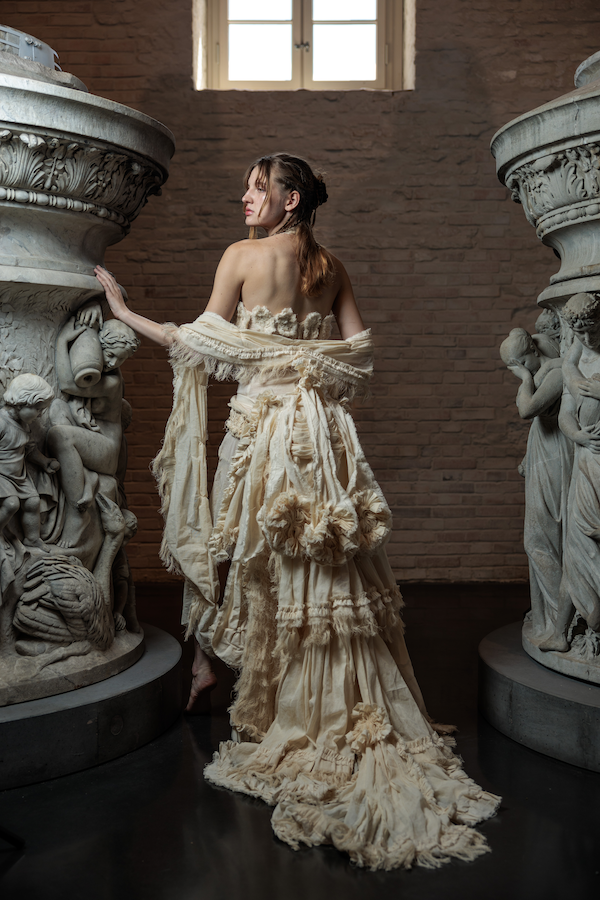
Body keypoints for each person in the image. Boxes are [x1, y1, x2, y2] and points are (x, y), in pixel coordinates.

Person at [94, 152, 500, 871]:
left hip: (263, 434)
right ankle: (228, 671)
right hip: (323, 433)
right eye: (247, 186)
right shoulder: (331, 266)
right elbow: (358, 356)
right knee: (322, 562)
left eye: (256, 188)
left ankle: (208, 670)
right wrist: (304, 371)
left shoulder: (242, 257)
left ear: (288, 200)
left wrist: (124, 312)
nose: (243, 197)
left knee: (246, 547)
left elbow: (196, 342)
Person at [500, 327, 572, 643]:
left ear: (530, 354)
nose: (516, 371)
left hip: (556, 458)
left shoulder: (555, 373)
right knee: (540, 539)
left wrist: (524, 377)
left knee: (541, 539)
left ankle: (562, 619)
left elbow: (528, 409)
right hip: (543, 456)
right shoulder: (545, 372)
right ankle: (548, 613)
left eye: (516, 364)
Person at [0, 374, 58, 551]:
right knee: (11, 504)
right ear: (21, 403)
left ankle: (32, 539)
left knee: (33, 502)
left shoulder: (24, 425)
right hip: (2, 475)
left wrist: (44, 462)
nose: (40, 414)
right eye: (38, 409)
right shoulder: (2, 423)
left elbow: (29, 449)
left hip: (19, 476)